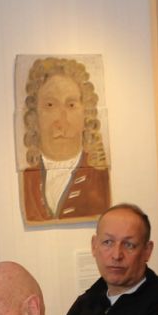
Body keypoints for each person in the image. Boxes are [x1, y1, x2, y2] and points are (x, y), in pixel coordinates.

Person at [20, 56, 112, 223]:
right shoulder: (27, 179)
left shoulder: (99, 178)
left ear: (86, 113)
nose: (61, 120)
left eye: (71, 105)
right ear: (34, 115)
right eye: (50, 105)